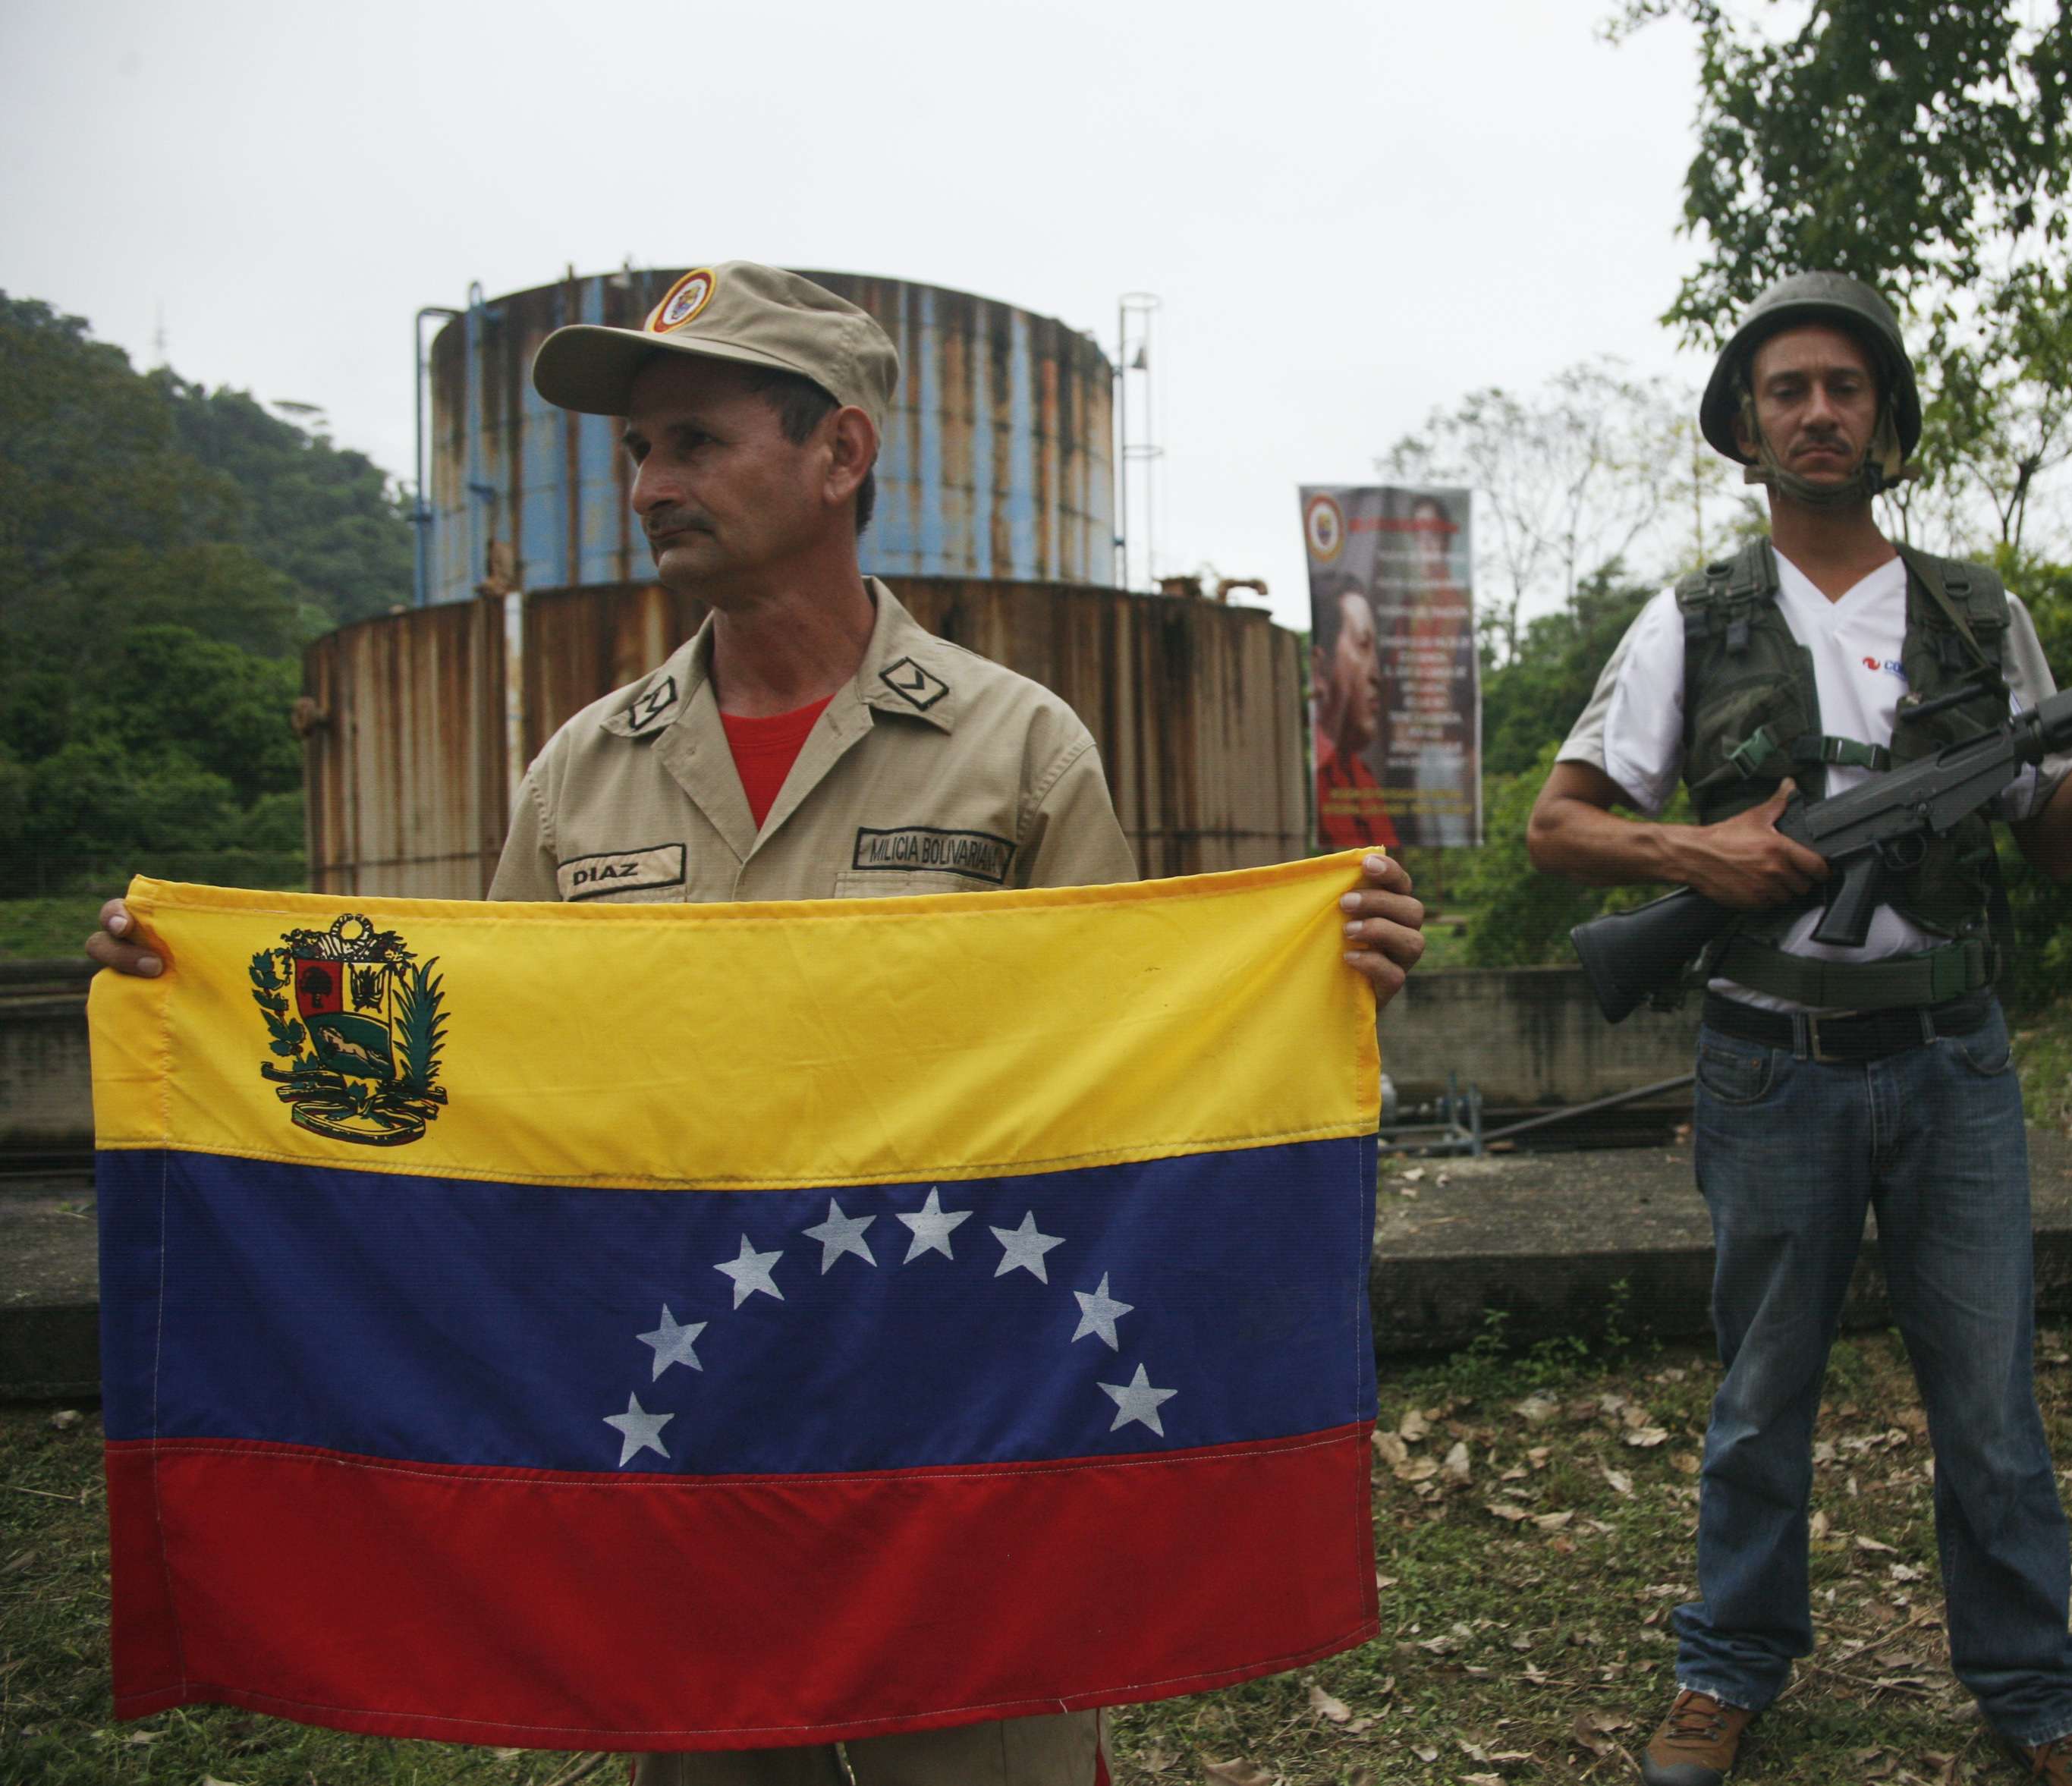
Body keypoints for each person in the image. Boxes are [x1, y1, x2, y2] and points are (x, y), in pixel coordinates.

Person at [86, 260, 1429, 1786]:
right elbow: (482, 1098)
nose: (651, 483)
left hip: (957, 1443)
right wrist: (197, 1003)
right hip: (682, 1449)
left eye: (695, 441)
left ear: (839, 455)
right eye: (638, 451)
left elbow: (1118, 1095)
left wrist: (1306, 970)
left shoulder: (1015, 752)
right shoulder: (578, 777)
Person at [1526, 273, 2072, 1786]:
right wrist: (1705, 856)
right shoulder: (1694, 618)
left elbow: (2052, 840)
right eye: (1788, 389)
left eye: (1845, 388)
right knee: (1757, 1402)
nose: (1817, 411)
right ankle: (1725, 1667)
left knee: (1991, 1404)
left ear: (1885, 420)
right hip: (1766, 1063)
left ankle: (2040, 1691)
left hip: (1951, 1062)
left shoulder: (1975, 614)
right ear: (1747, 427)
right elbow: (1558, 827)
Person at [1311, 574, 1398, 848]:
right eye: (1363, 645)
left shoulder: (1361, 778)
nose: (1376, 674)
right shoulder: (1297, 779)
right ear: (1319, 669)